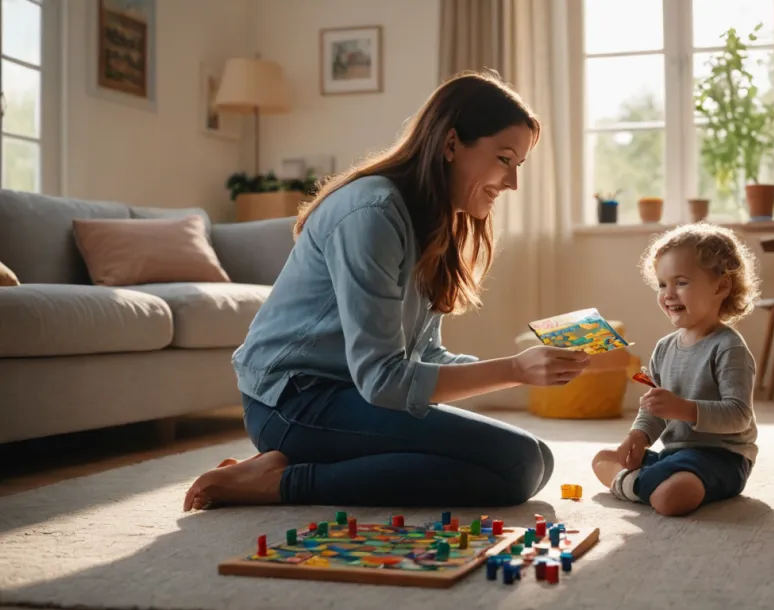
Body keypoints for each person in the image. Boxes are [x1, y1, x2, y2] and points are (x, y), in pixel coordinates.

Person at [183, 71, 592, 512]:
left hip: (351, 399)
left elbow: (424, 357)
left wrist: (526, 366)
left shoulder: (434, 221)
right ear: (451, 144)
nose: (512, 183)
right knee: (520, 463)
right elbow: (384, 381)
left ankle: (280, 467)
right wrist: (514, 370)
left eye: (518, 166)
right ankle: (282, 482)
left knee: (531, 460)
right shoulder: (373, 213)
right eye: (504, 159)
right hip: (293, 403)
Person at [591, 223, 761, 517]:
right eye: (661, 285)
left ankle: (632, 485)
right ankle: (642, 483)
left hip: (722, 458)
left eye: (681, 282)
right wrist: (639, 436)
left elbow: (738, 415)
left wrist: (683, 409)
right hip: (675, 455)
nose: (668, 294)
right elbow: (654, 408)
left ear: (720, 287)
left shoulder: (728, 347)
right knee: (602, 458)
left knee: (672, 497)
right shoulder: (664, 347)